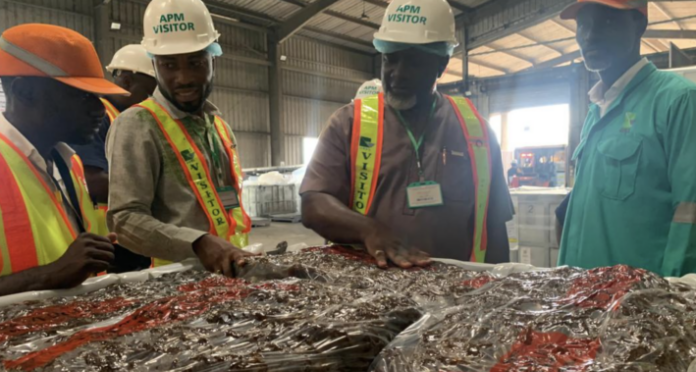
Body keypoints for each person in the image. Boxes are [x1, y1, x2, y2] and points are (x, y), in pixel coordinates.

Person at [301, 0, 513, 268]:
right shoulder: (349, 123)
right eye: (390, 58)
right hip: (367, 290)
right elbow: (313, 203)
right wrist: (368, 230)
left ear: (441, 64)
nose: (397, 74)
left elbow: (493, 224)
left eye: (414, 62)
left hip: (457, 290)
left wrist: (501, 282)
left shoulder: (476, 131)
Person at [107, 0, 253, 276]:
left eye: (196, 63)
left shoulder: (219, 127)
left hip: (233, 273)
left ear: (213, 60)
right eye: (169, 65)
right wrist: (198, 243)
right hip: (178, 283)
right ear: (154, 64)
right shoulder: (138, 125)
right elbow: (124, 220)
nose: (183, 78)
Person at [558, 0, 696, 276]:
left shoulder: (678, 100)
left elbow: (690, 210)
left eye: (607, 21)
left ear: (639, 25)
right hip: (583, 291)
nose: (590, 35)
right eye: (583, 24)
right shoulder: (596, 111)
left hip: (640, 298)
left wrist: (673, 292)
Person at [0, 23, 129, 295]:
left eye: (97, 96)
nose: (99, 110)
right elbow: (59, 269)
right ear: (24, 92)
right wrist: (48, 276)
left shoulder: (68, 164)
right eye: (82, 95)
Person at [71, 44, 157, 272]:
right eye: (149, 94)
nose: (153, 103)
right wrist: (154, 188)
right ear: (127, 81)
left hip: (130, 234)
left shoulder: (128, 119)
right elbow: (92, 180)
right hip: (110, 241)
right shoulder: (98, 118)